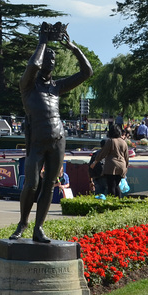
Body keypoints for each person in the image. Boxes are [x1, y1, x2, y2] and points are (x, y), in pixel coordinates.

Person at [11, 22, 93, 242]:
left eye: (54, 60)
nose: (52, 62)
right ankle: (23, 223)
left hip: (58, 139)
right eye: (49, 58)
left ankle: (39, 228)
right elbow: (34, 65)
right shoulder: (27, 85)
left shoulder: (56, 87)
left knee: (49, 185)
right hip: (36, 141)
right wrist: (42, 42)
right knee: (31, 184)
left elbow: (87, 72)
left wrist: (73, 47)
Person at [93, 123, 130, 198]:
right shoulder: (124, 142)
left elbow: (103, 153)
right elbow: (126, 157)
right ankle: (118, 202)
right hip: (121, 167)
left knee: (111, 186)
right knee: (116, 186)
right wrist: (126, 167)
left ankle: (112, 203)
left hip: (111, 167)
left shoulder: (110, 141)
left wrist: (95, 162)